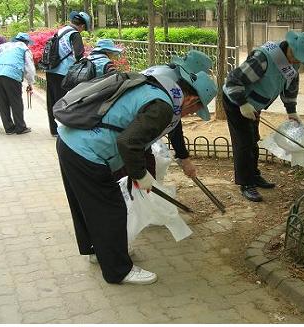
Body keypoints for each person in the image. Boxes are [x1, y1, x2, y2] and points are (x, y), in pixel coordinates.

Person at [56, 68, 217, 285]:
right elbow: (128, 143)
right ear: (192, 99)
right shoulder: (163, 106)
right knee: (111, 210)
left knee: (87, 205)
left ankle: (97, 251)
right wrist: (140, 175)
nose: (190, 116)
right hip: (87, 152)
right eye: (196, 110)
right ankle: (119, 270)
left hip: (70, 140)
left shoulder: (157, 89)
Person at [222, 31, 304, 202]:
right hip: (236, 101)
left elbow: (291, 85)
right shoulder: (263, 58)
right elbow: (233, 80)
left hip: (253, 105)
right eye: (296, 56)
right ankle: (246, 183)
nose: (297, 61)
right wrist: (242, 103)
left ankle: (254, 175)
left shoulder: (293, 62)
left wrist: (291, 111)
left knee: (253, 139)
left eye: (301, 59)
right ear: (290, 46)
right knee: (244, 142)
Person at [139, 50, 213, 179]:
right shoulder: (171, 83)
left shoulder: (165, 71)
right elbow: (174, 124)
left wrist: (182, 156)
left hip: (137, 128)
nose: (190, 114)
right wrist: (183, 157)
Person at [45, 11, 90, 137]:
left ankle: (54, 130)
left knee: (52, 100)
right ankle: (63, 130)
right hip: (63, 72)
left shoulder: (60, 31)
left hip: (50, 69)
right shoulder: (75, 34)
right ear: (81, 26)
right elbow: (79, 54)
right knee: (63, 101)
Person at [0, 32, 35, 135]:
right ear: (26, 42)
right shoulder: (24, 48)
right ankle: (20, 127)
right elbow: (29, 67)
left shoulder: (2, 47)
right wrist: (30, 82)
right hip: (12, 75)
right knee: (16, 101)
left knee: (2, 102)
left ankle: (9, 128)